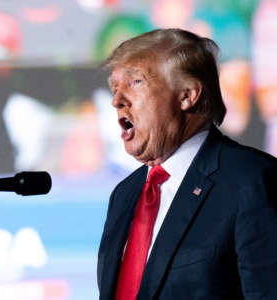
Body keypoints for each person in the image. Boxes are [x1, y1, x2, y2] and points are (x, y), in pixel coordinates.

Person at [97, 28, 277, 300]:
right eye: (114, 87)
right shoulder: (124, 195)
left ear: (187, 95)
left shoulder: (252, 181)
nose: (116, 101)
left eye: (135, 82)